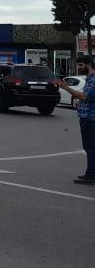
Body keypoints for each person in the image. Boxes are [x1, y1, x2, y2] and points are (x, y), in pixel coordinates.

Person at [56, 55, 95, 184]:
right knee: (90, 147)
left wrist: (66, 88)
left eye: (81, 65)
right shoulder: (89, 78)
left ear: (88, 65)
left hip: (89, 118)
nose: (79, 68)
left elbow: (84, 97)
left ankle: (91, 175)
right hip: (87, 116)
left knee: (90, 147)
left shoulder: (93, 79)